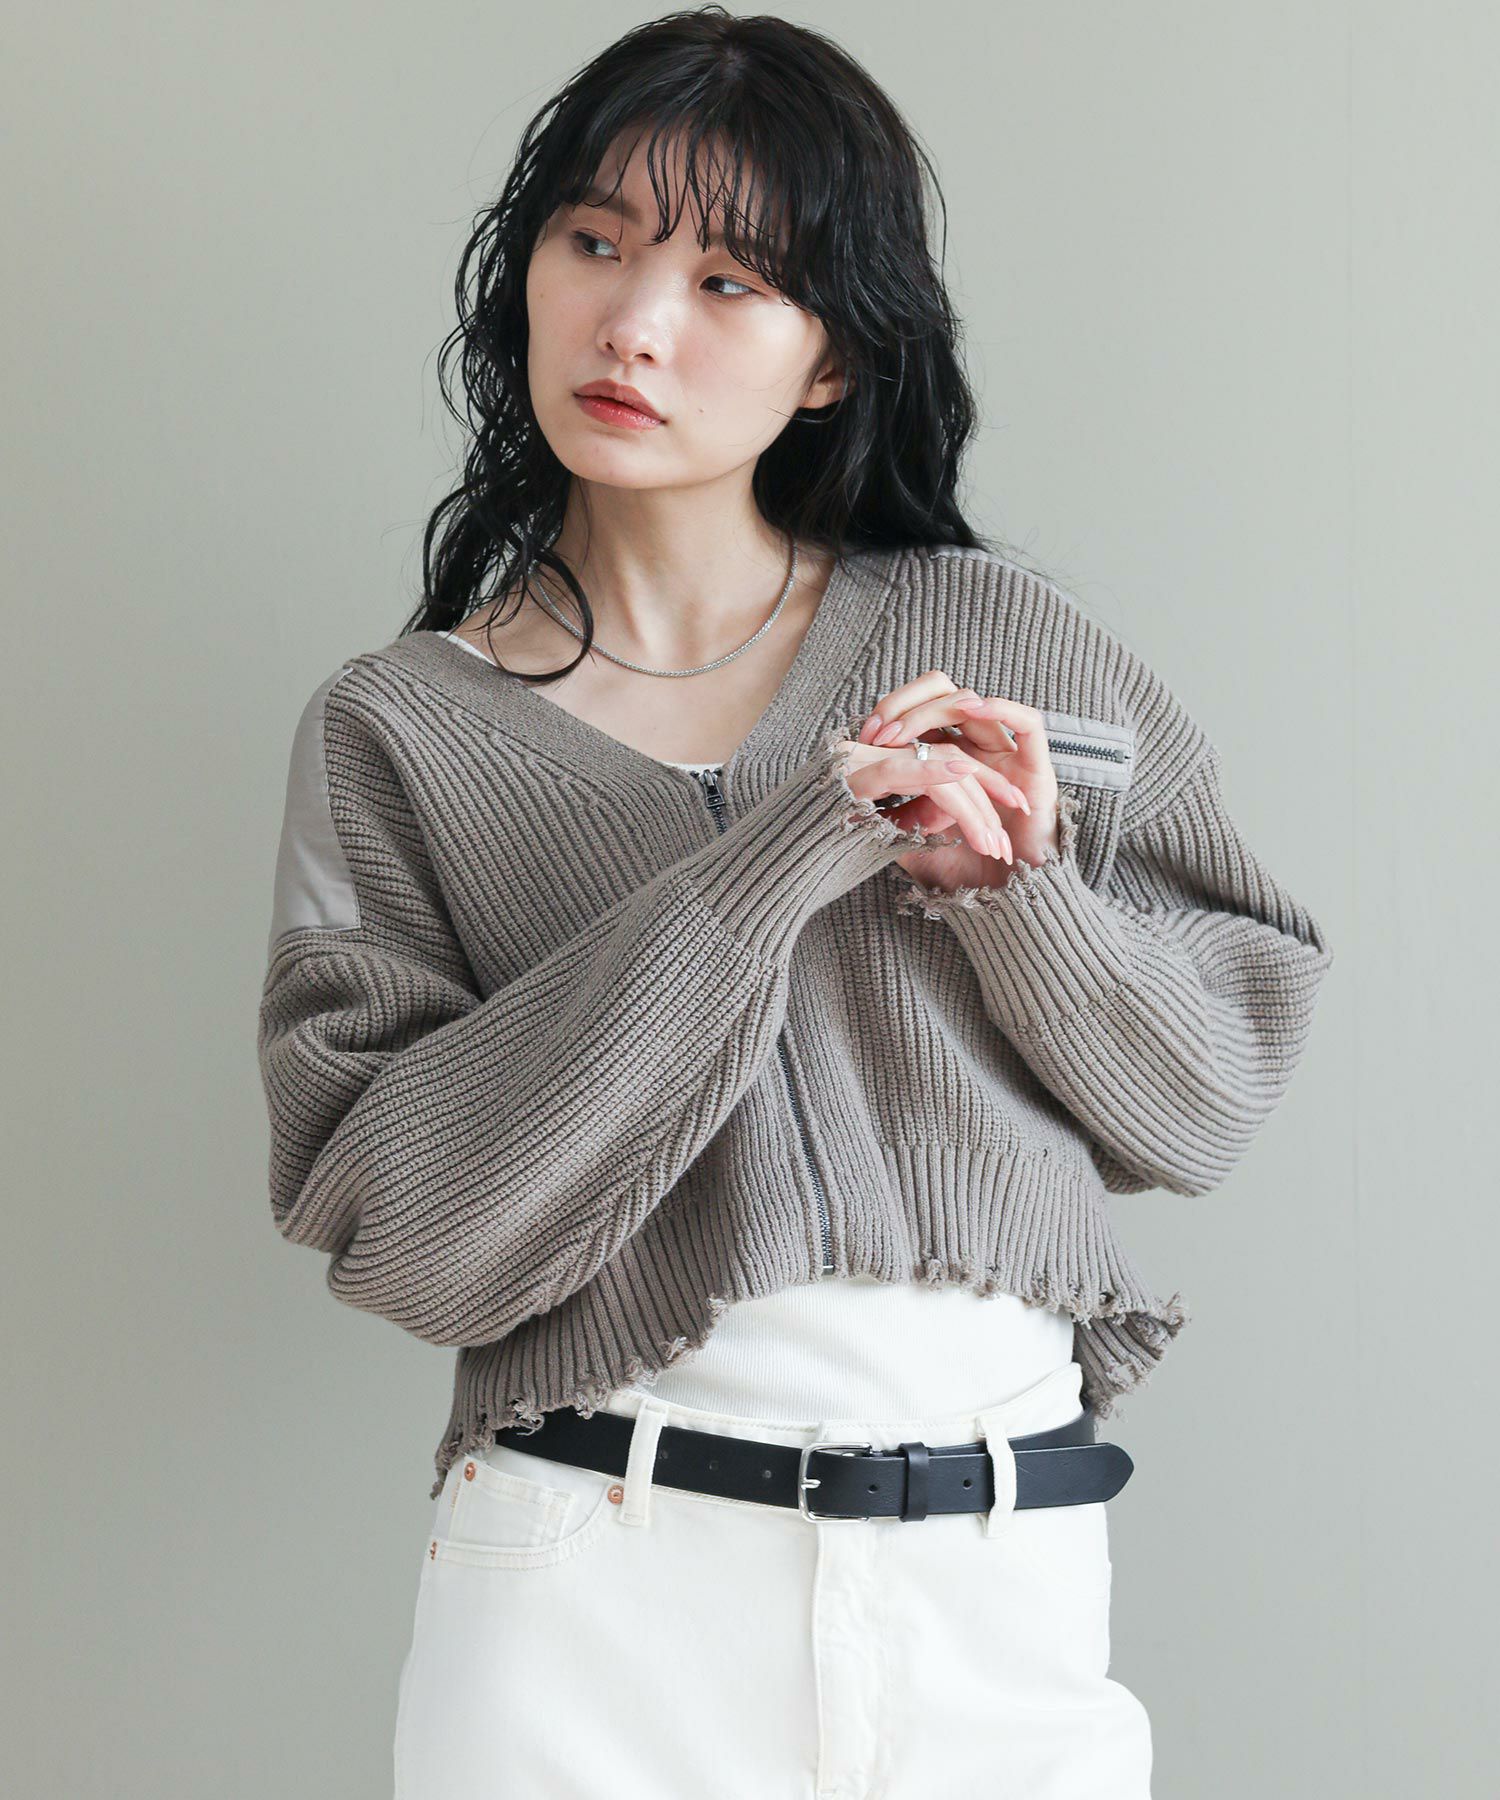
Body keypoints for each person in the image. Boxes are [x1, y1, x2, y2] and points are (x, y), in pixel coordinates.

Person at [255, 11, 1333, 1797]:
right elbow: (411, 1237)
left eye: (729, 282)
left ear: (831, 358)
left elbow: (1207, 1103)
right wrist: (777, 859)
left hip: (992, 1585)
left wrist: (1025, 904)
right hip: (591, 1586)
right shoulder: (401, 730)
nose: (634, 324)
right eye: (593, 242)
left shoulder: (1002, 646)